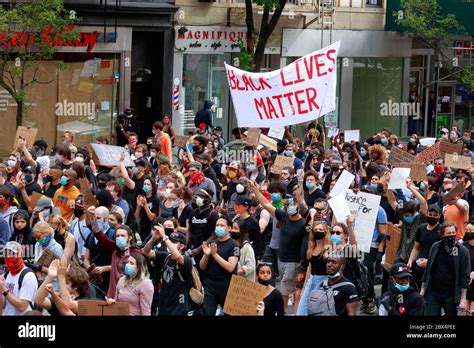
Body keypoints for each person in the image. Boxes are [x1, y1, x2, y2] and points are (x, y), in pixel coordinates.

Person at [249, 180, 306, 311]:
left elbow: (302, 200)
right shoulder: (283, 216)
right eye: (288, 205)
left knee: (285, 287)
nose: (290, 207)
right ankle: (285, 308)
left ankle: (285, 310)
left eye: (293, 205)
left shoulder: (303, 224)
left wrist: (301, 181)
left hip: (294, 261)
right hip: (281, 258)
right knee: (286, 287)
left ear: (298, 207)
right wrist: (254, 189)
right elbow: (266, 203)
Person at [421, 222, 471, 316]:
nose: (451, 235)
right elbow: (428, 270)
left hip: (451, 295)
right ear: (442, 234)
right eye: (448, 233)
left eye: (453, 233)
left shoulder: (463, 251)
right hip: (433, 293)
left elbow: (465, 276)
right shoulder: (435, 247)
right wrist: (423, 289)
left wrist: (463, 298)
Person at [144, 225, 193, 316]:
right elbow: (146, 252)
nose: (169, 244)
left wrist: (164, 237)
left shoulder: (187, 260)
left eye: (174, 242)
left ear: (182, 246)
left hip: (179, 307)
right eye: (170, 241)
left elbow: (178, 256)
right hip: (164, 305)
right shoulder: (165, 257)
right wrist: (153, 239)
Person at [200, 217, 240, 316]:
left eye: (222, 225)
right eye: (217, 225)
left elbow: (230, 267)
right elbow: (202, 267)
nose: (219, 227)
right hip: (210, 286)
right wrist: (206, 255)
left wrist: (215, 254)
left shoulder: (233, 245)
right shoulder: (211, 243)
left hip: (227, 287)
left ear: (229, 228)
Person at [296, 221, 331, 315]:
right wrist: (304, 287)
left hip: (323, 282)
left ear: (325, 232)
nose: (318, 231)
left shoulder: (329, 248)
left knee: (318, 311)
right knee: (302, 310)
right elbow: (309, 267)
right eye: (316, 229)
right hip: (311, 280)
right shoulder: (311, 247)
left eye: (320, 229)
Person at [407, 204, 442, 289]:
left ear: (439, 216)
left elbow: (442, 253)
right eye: (430, 214)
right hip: (419, 265)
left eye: (435, 215)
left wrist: (429, 262)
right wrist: (410, 260)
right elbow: (416, 248)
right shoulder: (421, 228)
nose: (432, 217)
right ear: (426, 214)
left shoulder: (441, 230)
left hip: (434, 268)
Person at [0, 241, 38, 315]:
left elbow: (22, 307)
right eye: (7, 254)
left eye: (13, 254)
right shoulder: (6, 275)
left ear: (20, 255)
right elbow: (3, 306)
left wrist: (4, 289)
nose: (9, 257)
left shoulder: (28, 276)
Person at [134, 177, 160, 243]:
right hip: (142, 227)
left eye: (148, 184)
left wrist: (145, 205)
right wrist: (138, 206)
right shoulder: (142, 197)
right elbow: (137, 218)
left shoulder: (156, 200)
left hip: (151, 228)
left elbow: (152, 218)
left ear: (152, 187)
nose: (146, 186)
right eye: (144, 184)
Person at [463, 224, 474, 313]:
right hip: (465, 282)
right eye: (467, 230)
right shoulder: (462, 247)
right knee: (464, 311)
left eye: (471, 231)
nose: (468, 232)